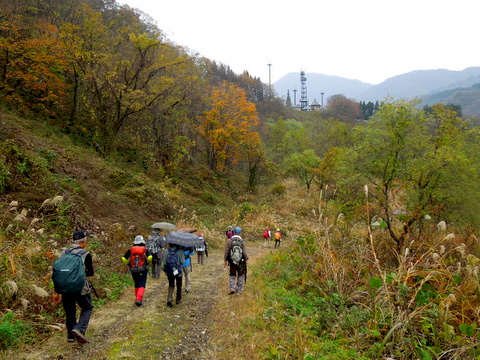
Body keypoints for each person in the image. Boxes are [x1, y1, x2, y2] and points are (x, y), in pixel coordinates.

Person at [60, 230, 94, 344]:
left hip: (64, 287)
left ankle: (70, 335)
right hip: (80, 287)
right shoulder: (85, 254)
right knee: (87, 307)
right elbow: (90, 273)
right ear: (84, 241)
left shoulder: (63, 252)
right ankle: (79, 329)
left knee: (70, 311)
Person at [122, 235, 153, 307]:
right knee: (142, 284)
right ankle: (139, 299)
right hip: (143, 269)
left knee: (136, 283)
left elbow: (123, 258)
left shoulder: (130, 250)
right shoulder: (145, 249)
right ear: (142, 242)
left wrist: (128, 263)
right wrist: (148, 261)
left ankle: (137, 298)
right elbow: (150, 257)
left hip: (133, 269)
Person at [224, 226, 248, 296]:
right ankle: (239, 291)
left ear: (233, 232)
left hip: (232, 261)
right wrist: (246, 259)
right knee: (241, 275)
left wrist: (225, 260)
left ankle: (232, 288)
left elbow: (226, 251)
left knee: (232, 275)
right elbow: (244, 252)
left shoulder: (229, 241)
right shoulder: (242, 241)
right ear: (240, 233)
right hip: (241, 262)